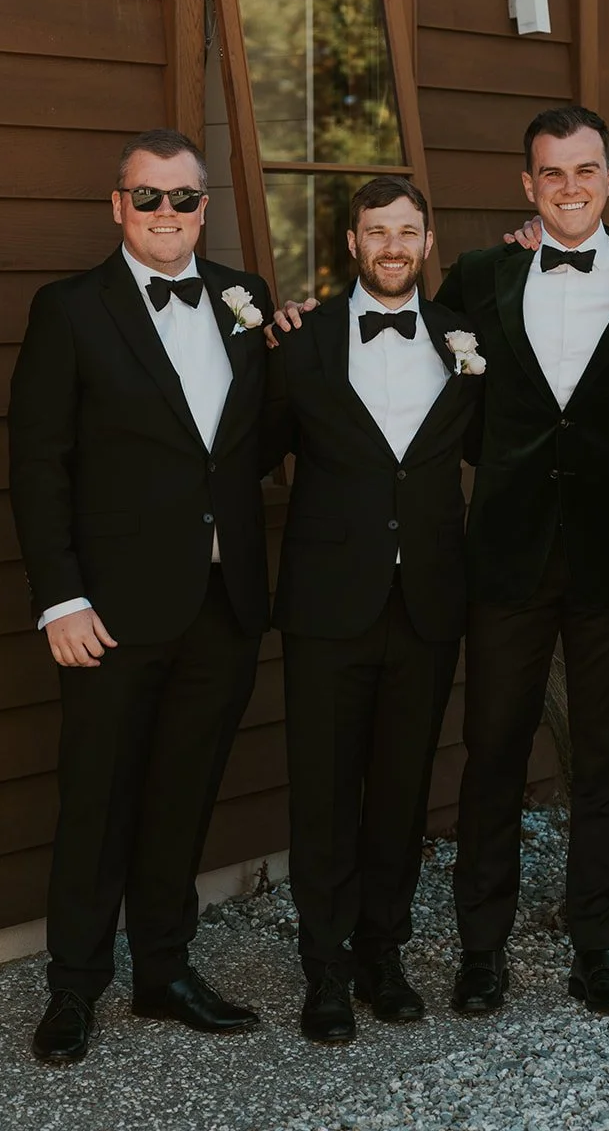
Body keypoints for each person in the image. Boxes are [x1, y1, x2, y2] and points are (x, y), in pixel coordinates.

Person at [8, 128, 276, 1064]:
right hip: (111, 613)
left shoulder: (248, 302)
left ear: (206, 207)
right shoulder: (71, 311)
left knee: (182, 796)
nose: (169, 214)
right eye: (149, 197)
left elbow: (265, 435)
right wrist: (61, 600)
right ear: (118, 206)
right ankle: (74, 989)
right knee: (96, 801)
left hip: (223, 599)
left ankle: (164, 971)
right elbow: (39, 467)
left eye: (185, 198)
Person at [435, 106, 609, 1016]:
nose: (570, 188)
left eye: (585, 172)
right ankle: (482, 951)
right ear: (526, 185)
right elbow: (428, 392)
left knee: (608, 758)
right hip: (508, 550)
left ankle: (595, 947)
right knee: (492, 748)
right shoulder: (478, 274)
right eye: (552, 174)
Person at [264, 176, 484, 1043]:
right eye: (376, 232)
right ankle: (323, 969)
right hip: (326, 606)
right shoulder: (302, 339)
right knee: (322, 794)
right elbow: (243, 446)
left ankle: (381, 956)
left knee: (401, 791)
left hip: (426, 603)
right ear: (351, 243)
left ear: (428, 243)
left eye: (408, 232)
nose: (393, 247)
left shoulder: (465, 342)